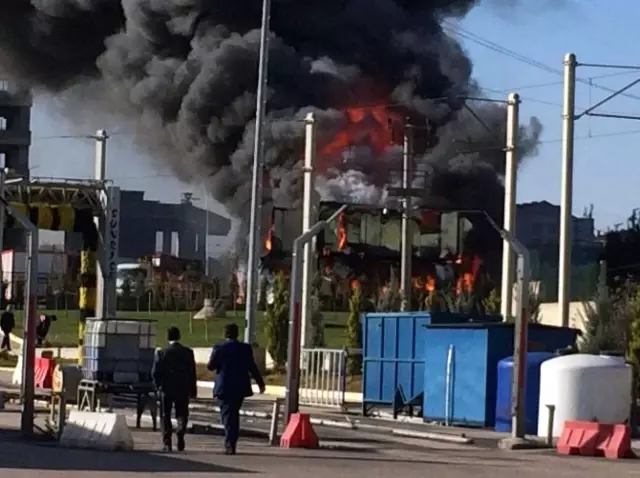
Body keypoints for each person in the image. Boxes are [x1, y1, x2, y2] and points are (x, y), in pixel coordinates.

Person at [207, 323, 265, 455]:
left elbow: (211, 366)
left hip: (224, 387)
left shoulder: (219, 348)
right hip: (240, 387)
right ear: (237, 334)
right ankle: (231, 441)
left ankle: (230, 443)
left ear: (225, 334)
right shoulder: (245, 348)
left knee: (227, 415)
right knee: (233, 414)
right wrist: (260, 383)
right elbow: (252, 367)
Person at [152, 326, 197, 452]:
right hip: (182, 388)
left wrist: (157, 387)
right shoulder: (188, 352)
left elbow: (155, 373)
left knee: (165, 414)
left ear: (167, 338)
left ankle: (167, 442)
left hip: (166, 389)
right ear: (179, 337)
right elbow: (192, 373)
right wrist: (193, 390)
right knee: (182, 413)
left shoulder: (161, 353)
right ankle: (181, 431)